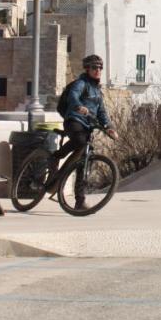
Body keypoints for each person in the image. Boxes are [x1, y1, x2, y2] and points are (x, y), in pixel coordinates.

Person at [53, 54, 118, 206]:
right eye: (94, 67)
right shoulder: (81, 83)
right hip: (74, 120)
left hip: (88, 126)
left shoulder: (97, 91)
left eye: (100, 68)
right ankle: (56, 155)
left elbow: (102, 112)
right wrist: (79, 106)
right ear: (87, 69)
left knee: (83, 164)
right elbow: (73, 96)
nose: (98, 70)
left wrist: (109, 128)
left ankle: (80, 201)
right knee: (80, 141)